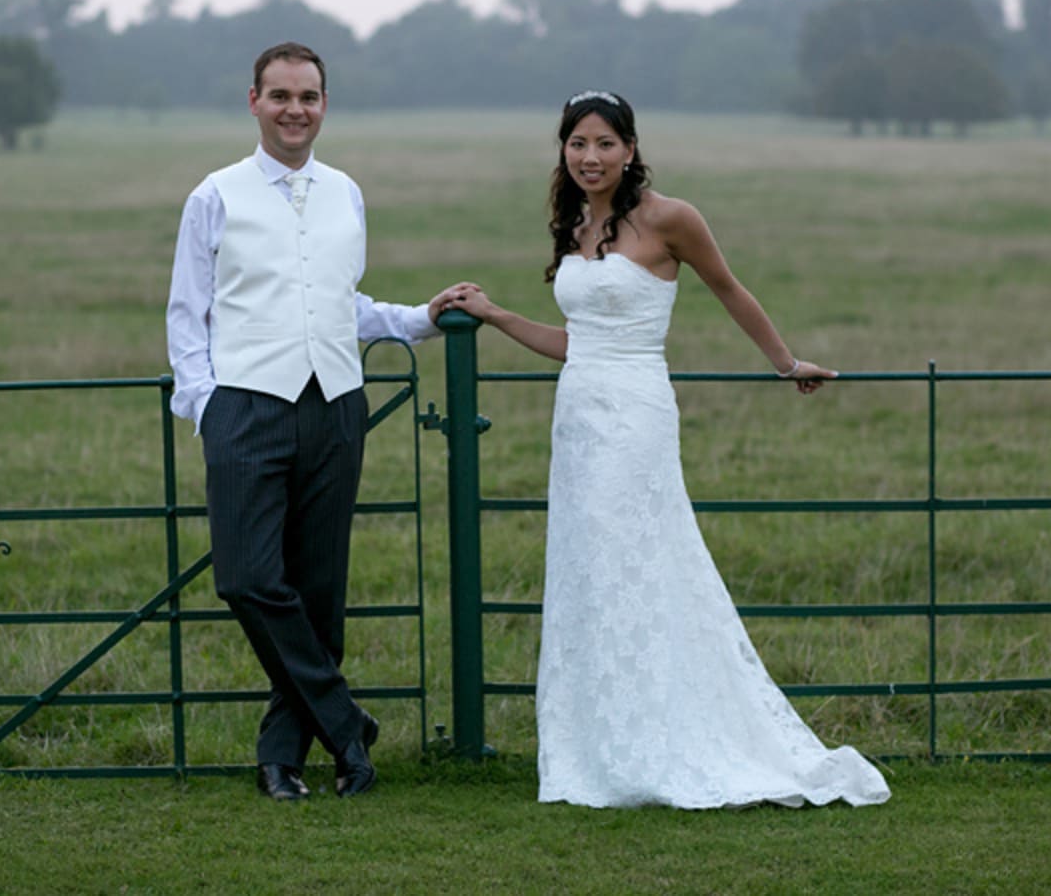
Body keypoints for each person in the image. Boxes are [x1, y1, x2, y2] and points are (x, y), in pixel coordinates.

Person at [448, 90, 891, 810]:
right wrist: (495, 315)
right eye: (577, 144)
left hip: (637, 418)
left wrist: (785, 363)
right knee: (591, 570)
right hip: (579, 420)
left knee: (643, 563)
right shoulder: (574, 223)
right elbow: (578, 343)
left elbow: (730, 288)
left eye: (604, 144)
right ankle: (603, 745)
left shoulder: (670, 218)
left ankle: (669, 740)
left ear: (630, 148)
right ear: (563, 150)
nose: (590, 158)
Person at [167, 41, 475, 802]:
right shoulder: (216, 194)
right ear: (254, 102)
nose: (294, 109)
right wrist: (207, 406)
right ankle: (345, 722)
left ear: (324, 104)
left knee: (318, 590)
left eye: (308, 96)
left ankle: (286, 758)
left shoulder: (346, 192)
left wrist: (421, 320)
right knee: (244, 577)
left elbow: (342, 302)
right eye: (280, 96)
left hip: (336, 407)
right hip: (244, 407)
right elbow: (187, 314)